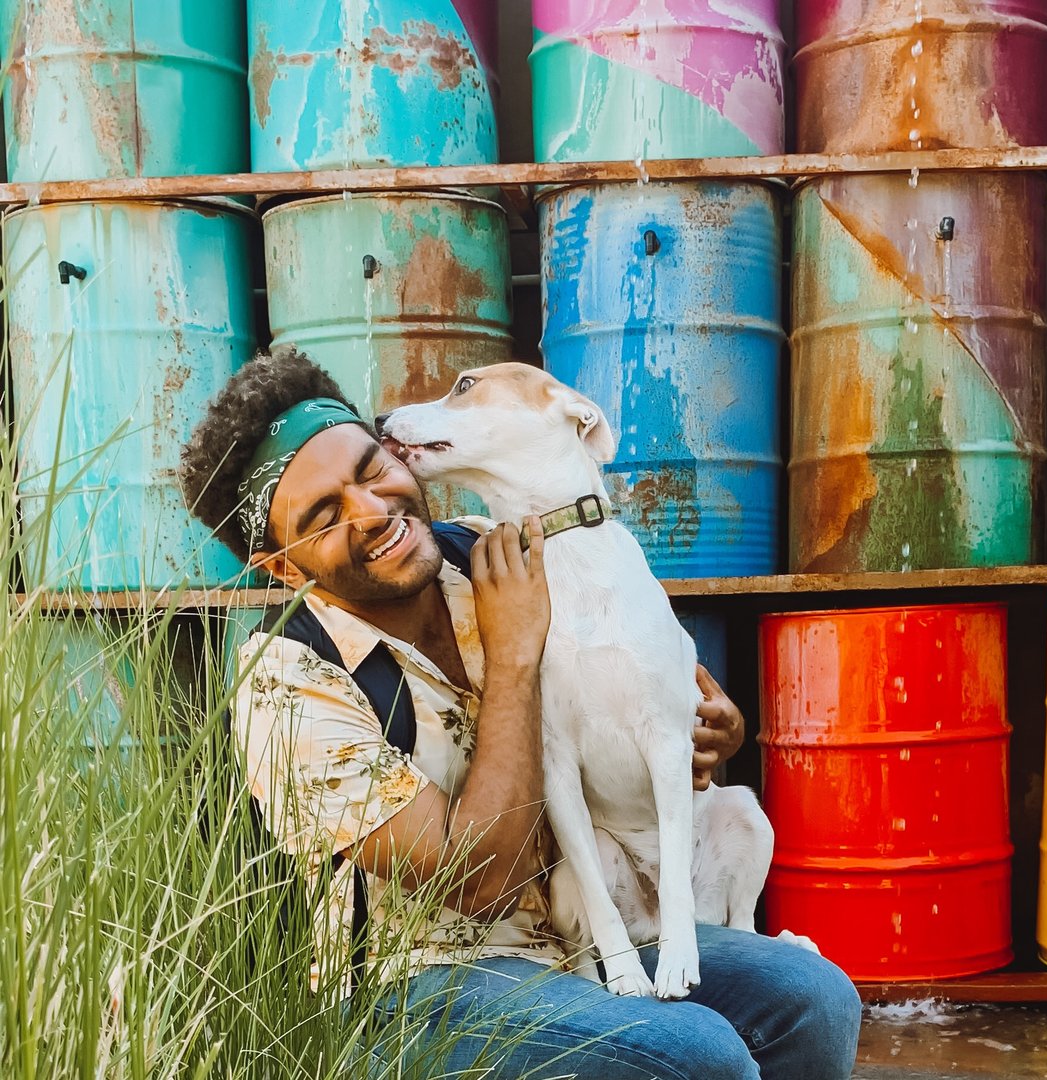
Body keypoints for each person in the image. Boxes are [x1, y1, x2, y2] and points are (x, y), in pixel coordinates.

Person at [180, 345, 862, 1079]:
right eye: (323, 516)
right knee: (699, 1059)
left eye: (371, 469)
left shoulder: (491, 546)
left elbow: (648, 671)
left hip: (579, 924)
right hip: (417, 989)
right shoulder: (285, 683)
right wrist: (511, 661)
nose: (373, 511)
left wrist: (704, 727)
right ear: (282, 565)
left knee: (814, 1000)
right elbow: (479, 883)